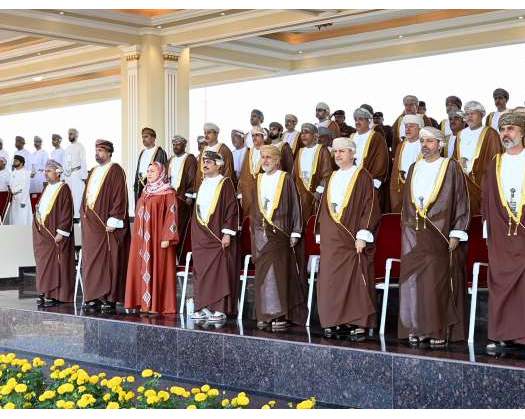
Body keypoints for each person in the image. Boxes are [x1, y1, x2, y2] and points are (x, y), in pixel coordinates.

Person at [398, 127, 470, 346]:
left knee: (435, 284)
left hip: (440, 235)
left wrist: (457, 231)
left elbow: (460, 200)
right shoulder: (414, 167)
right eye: (422, 141)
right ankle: (417, 327)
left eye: (430, 141)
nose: (425, 145)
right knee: (415, 284)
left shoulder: (451, 167)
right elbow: (406, 205)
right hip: (416, 236)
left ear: (440, 144)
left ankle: (437, 330)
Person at [316, 137, 380, 338]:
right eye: (336, 152)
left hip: (353, 240)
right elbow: (324, 208)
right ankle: (334, 320)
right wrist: (321, 231)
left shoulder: (363, 176)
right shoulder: (332, 176)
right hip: (332, 240)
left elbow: (370, 207)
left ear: (353, 153)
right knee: (330, 280)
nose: (338, 155)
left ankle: (357, 321)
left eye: (343, 151)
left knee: (355, 280)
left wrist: (363, 233)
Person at [482, 110, 525, 353]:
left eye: (510, 129)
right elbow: (487, 199)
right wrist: (488, 229)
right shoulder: (495, 162)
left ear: (522, 132)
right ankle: (502, 335)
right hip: (500, 234)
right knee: (500, 281)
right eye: (502, 129)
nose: (505, 134)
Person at [252, 145, 307, 329]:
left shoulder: (285, 178)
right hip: (261, 235)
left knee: (279, 274)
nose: (265, 161)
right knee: (263, 275)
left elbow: (295, 206)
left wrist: (296, 231)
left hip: (281, 232)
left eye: (269, 157)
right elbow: (254, 210)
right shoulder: (258, 179)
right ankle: (265, 313)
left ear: (277, 160)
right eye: (262, 157)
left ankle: (279, 314)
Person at [81, 140, 130, 313]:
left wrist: (114, 218)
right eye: (96, 150)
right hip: (92, 226)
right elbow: (86, 197)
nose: (97, 153)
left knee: (109, 260)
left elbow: (120, 195)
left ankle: (108, 298)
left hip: (107, 226)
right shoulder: (93, 171)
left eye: (101, 150)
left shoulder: (115, 169)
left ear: (109, 153)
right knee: (92, 262)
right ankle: (93, 296)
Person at [190, 150, 239, 323]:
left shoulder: (225, 183)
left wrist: (227, 233)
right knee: (201, 272)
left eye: (209, 162)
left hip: (217, 236)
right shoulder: (202, 183)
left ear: (218, 165)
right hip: (201, 236)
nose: (205, 164)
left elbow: (231, 210)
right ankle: (202, 307)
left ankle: (219, 309)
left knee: (218, 271)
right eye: (204, 161)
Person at [125, 162, 179, 314]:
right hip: (142, 241)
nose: (149, 174)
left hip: (158, 240)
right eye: (148, 171)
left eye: (153, 171)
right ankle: (144, 304)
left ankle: (157, 305)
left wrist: (168, 236)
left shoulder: (168, 192)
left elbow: (172, 214)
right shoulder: (145, 192)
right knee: (142, 269)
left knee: (158, 269)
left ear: (161, 173)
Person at [32, 160, 75, 307]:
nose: (46, 173)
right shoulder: (47, 188)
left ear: (58, 172)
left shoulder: (63, 188)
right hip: (44, 235)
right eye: (45, 170)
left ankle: (55, 294)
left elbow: (67, 212)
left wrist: (61, 232)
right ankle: (45, 291)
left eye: (49, 170)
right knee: (44, 264)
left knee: (56, 264)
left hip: (56, 236)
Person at [454, 101, 502, 215]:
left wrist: (472, 167)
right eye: (467, 114)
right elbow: (455, 157)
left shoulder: (491, 134)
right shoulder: (460, 134)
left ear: (481, 115)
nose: (469, 117)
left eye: (473, 113)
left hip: (481, 185)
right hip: (461, 184)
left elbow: (495, 161)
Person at [293, 123, 333, 224]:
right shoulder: (300, 151)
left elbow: (327, 174)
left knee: (314, 224)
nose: (303, 135)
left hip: (316, 196)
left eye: (307, 132)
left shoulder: (322, 150)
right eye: (302, 133)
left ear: (315, 136)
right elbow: (294, 174)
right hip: (300, 196)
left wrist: (319, 191)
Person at [350, 107, 389, 207]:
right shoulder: (351, 137)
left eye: (361, 119)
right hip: (350, 183)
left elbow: (381, 161)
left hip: (370, 185)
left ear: (368, 121)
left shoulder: (376, 137)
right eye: (356, 119)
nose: (357, 122)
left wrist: (374, 185)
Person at [167, 135, 197, 258]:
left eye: (178, 144)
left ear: (184, 145)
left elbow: (192, 177)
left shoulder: (189, 158)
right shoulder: (170, 160)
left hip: (182, 199)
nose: (175, 147)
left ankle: (180, 256)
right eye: (174, 144)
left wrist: (189, 195)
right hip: (170, 198)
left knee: (181, 228)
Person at [389, 115, 424, 212]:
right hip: (400, 188)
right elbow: (395, 171)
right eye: (406, 126)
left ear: (420, 128)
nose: (408, 129)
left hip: (417, 188)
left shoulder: (425, 146)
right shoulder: (400, 146)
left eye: (412, 126)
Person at [194, 123, 236, 189]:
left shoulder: (224, 150)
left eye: (209, 133)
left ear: (216, 134)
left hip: (218, 188)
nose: (206, 135)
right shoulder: (203, 150)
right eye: (205, 133)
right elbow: (199, 172)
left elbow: (228, 172)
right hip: (203, 187)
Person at [133, 127, 168, 203]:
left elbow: (162, 173)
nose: (143, 139)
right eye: (142, 137)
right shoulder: (142, 152)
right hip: (140, 185)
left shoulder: (160, 152)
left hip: (154, 187)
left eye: (146, 136)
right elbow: (138, 170)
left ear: (153, 138)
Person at [238, 126, 266, 218]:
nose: (254, 138)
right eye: (253, 135)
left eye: (257, 135)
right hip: (247, 194)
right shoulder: (249, 152)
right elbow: (243, 174)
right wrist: (241, 193)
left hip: (262, 193)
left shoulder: (269, 151)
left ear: (263, 137)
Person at [63, 128, 87, 219]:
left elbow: (83, 162)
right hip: (68, 176)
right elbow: (65, 163)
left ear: (77, 135)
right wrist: (63, 176)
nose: (70, 136)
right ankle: (71, 216)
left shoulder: (80, 146)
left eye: (72, 134)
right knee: (70, 196)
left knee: (78, 195)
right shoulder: (67, 148)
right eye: (69, 134)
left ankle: (78, 216)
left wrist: (84, 176)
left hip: (77, 175)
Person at [6, 155, 32, 226]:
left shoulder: (26, 173)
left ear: (21, 163)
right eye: (14, 160)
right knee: (14, 217)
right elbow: (10, 185)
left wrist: (23, 201)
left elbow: (26, 188)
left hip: (22, 198)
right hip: (14, 198)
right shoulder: (13, 172)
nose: (14, 162)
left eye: (16, 161)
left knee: (22, 218)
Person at [0, 157, 9, 223]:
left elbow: (10, 186)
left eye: (0, 161)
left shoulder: (7, 173)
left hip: (4, 194)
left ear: (4, 163)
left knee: (3, 212)